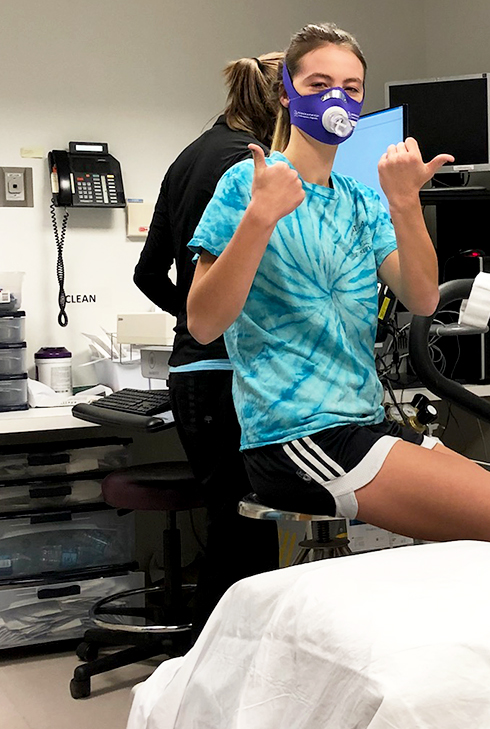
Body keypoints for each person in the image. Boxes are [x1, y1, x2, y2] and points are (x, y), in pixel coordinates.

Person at [186, 23, 490, 553]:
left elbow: (424, 298)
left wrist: (405, 202)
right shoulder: (246, 183)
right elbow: (203, 323)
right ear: (287, 94)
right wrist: (260, 219)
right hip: (298, 435)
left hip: (365, 423)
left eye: (352, 87)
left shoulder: (360, 201)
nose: (337, 97)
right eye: (318, 84)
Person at [133, 52, 285, 632]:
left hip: (195, 374)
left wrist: (194, 321)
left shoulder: (189, 157)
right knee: (248, 531)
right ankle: (211, 670)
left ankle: (209, 668)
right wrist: (211, 323)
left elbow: (148, 275)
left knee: (235, 524)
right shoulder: (248, 166)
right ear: (281, 106)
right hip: (232, 375)